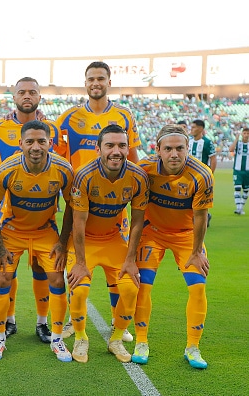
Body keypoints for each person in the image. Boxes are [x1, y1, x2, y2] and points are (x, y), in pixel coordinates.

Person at [55, 61, 140, 342]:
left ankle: (120, 324)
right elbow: (49, 145)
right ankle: (73, 320)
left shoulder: (125, 116)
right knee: (77, 265)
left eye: (101, 78)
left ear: (109, 82)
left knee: (115, 271)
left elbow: (135, 161)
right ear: (85, 83)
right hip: (78, 202)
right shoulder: (68, 118)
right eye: (91, 78)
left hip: (114, 206)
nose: (96, 83)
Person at [0, 77, 63, 341]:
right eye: (22, 92)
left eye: (32, 92)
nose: (27, 96)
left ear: (39, 96)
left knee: (42, 270)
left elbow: (61, 164)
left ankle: (42, 323)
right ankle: (9, 321)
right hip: (11, 214)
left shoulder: (52, 130)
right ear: (14, 97)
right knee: (7, 272)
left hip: (44, 214)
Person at [0, 120, 73, 362]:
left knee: (56, 276)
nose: (36, 146)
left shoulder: (64, 169)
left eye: (41, 141)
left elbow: (72, 207)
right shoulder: (6, 169)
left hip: (45, 231)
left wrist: (62, 242)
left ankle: (54, 335)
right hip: (13, 231)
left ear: (50, 143)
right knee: (3, 276)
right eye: (30, 141)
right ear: (21, 143)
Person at [133, 124, 213, 369]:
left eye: (180, 148)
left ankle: (193, 347)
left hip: (186, 236)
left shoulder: (201, 174)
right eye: (168, 148)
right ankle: (141, 342)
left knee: (198, 288)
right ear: (158, 150)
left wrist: (197, 251)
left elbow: (201, 216)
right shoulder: (144, 169)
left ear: (188, 149)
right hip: (152, 233)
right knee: (143, 285)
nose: (174, 154)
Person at [66, 125, 149, 363]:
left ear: (128, 148)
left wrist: (131, 259)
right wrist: (80, 263)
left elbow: (137, 221)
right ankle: (81, 337)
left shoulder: (138, 176)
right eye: (110, 145)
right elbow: (78, 224)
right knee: (79, 289)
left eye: (122, 145)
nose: (116, 151)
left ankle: (117, 338)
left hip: (113, 240)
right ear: (98, 148)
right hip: (85, 243)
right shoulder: (84, 175)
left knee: (132, 288)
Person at [188, 119, 217, 227]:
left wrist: (210, 174)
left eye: (194, 127)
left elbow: (213, 159)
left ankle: (204, 216)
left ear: (200, 129)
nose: (191, 129)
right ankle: (196, 218)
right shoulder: (189, 141)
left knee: (200, 199)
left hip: (201, 176)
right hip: (189, 176)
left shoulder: (207, 142)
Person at [230, 127, 249, 215]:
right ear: (242, 134)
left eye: (248, 133)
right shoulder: (238, 144)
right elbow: (231, 149)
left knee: (246, 190)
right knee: (237, 188)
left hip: (247, 171)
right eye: (244, 133)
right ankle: (238, 208)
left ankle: (241, 208)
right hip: (238, 170)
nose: (246, 135)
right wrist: (236, 139)